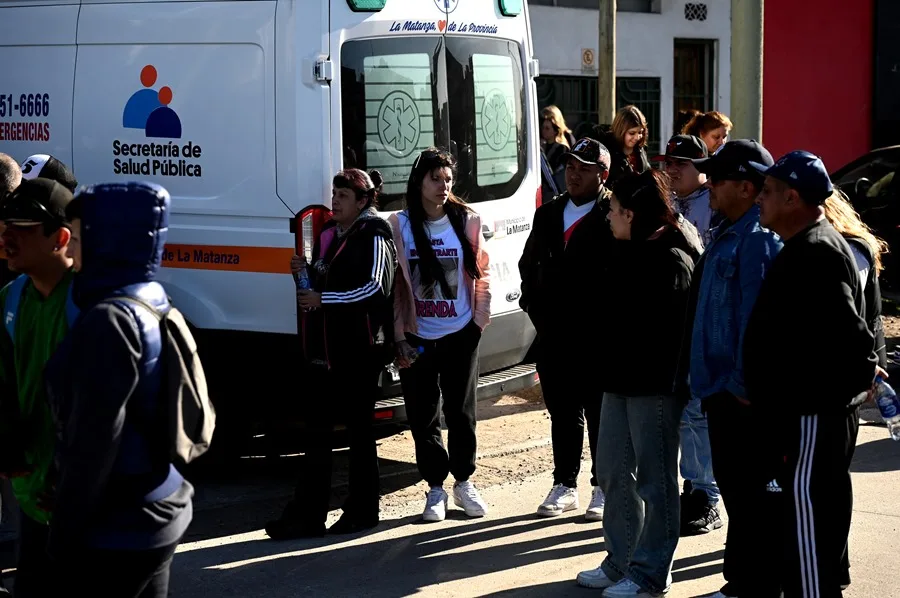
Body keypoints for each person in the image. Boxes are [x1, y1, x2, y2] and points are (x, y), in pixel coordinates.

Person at [43, 181, 194, 597]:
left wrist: (62, 532)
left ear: (105, 239)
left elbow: (94, 442)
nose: (69, 249)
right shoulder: (148, 296)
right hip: (157, 502)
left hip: (120, 524)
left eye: (76, 234)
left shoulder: (108, 320)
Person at [746, 151, 878, 598]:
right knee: (801, 538)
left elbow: (854, 342)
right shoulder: (803, 246)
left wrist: (814, 400)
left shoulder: (818, 251)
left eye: (766, 192)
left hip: (810, 419)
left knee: (807, 540)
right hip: (803, 417)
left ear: (793, 198)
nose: (758, 199)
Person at [577, 169, 695, 597]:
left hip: (654, 387)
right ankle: (622, 560)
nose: (607, 216)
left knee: (654, 480)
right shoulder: (624, 246)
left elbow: (673, 338)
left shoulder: (672, 259)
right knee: (610, 471)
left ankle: (650, 572)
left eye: (612, 210)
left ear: (630, 213)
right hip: (617, 382)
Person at [266, 169, 398, 538]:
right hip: (325, 350)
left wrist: (323, 298)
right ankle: (306, 515)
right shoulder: (331, 234)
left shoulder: (374, 234)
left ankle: (362, 511)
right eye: (334, 193)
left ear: (362, 201)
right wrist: (305, 274)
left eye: (343, 195)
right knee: (318, 432)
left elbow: (375, 289)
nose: (335, 201)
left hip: (360, 351)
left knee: (359, 433)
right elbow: (325, 281)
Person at [687, 140, 782, 598]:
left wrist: (744, 385)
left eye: (717, 179)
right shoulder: (731, 231)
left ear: (746, 187)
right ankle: (741, 582)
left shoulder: (759, 240)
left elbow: (755, 322)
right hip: (720, 387)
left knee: (750, 496)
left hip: (740, 394)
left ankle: (750, 585)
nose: (709, 187)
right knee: (739, 492)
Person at [389, 148, 491, 522]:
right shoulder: (398, 225)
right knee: (422, 414)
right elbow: (396, 287)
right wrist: (400, 333)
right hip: (417, 338)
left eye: (448, 180)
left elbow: (482, 273)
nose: (443, 186)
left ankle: (464, 482)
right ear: (419, 182)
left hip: (460, 332)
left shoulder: (466, 220)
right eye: (436, 179)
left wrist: (478, 321)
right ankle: (435, 488)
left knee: (461, 412)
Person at [518, 137, 613, 521]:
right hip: (554, 335)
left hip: (597, 338)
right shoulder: (549, 213)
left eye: (584, 169)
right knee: (562, 412)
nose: (574, 174)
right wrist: (535, 307)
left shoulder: (612, 213)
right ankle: (565, 483)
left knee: (600, 414)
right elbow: (529, 267)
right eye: (571, 166)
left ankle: (604, 484)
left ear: (602, 175)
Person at [0, 178, 77, 597]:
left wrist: (78, 476)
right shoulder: (10, 300)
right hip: (34, 498)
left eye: (23, 228)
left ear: (60, 238)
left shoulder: (93, 306)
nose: (7, 239)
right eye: (4, 226)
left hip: (86, 510)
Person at [651, 134, 723, 536]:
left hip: (703, 326)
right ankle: (690, 489)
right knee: (680, 416)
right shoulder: (667, 203)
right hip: (673, 327)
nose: (672, 169)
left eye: (681, 163)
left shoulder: (713, 207)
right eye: (669, 162)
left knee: (697, 415)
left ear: (702, 171)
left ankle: (705, 496)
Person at [822, 187, 889, 587]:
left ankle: (832, 567)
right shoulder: (856, 248)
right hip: (852, 379)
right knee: (832, 477)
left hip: (839, 383)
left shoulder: (843, 251)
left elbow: (857, 322)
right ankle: (834, 566)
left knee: (827, 479)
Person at [596, 106, 651, 188]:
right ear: (620, 131)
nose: (637, 137)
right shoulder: (606, 153)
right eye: (632, 133)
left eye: (640, 132)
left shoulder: (640, 150)